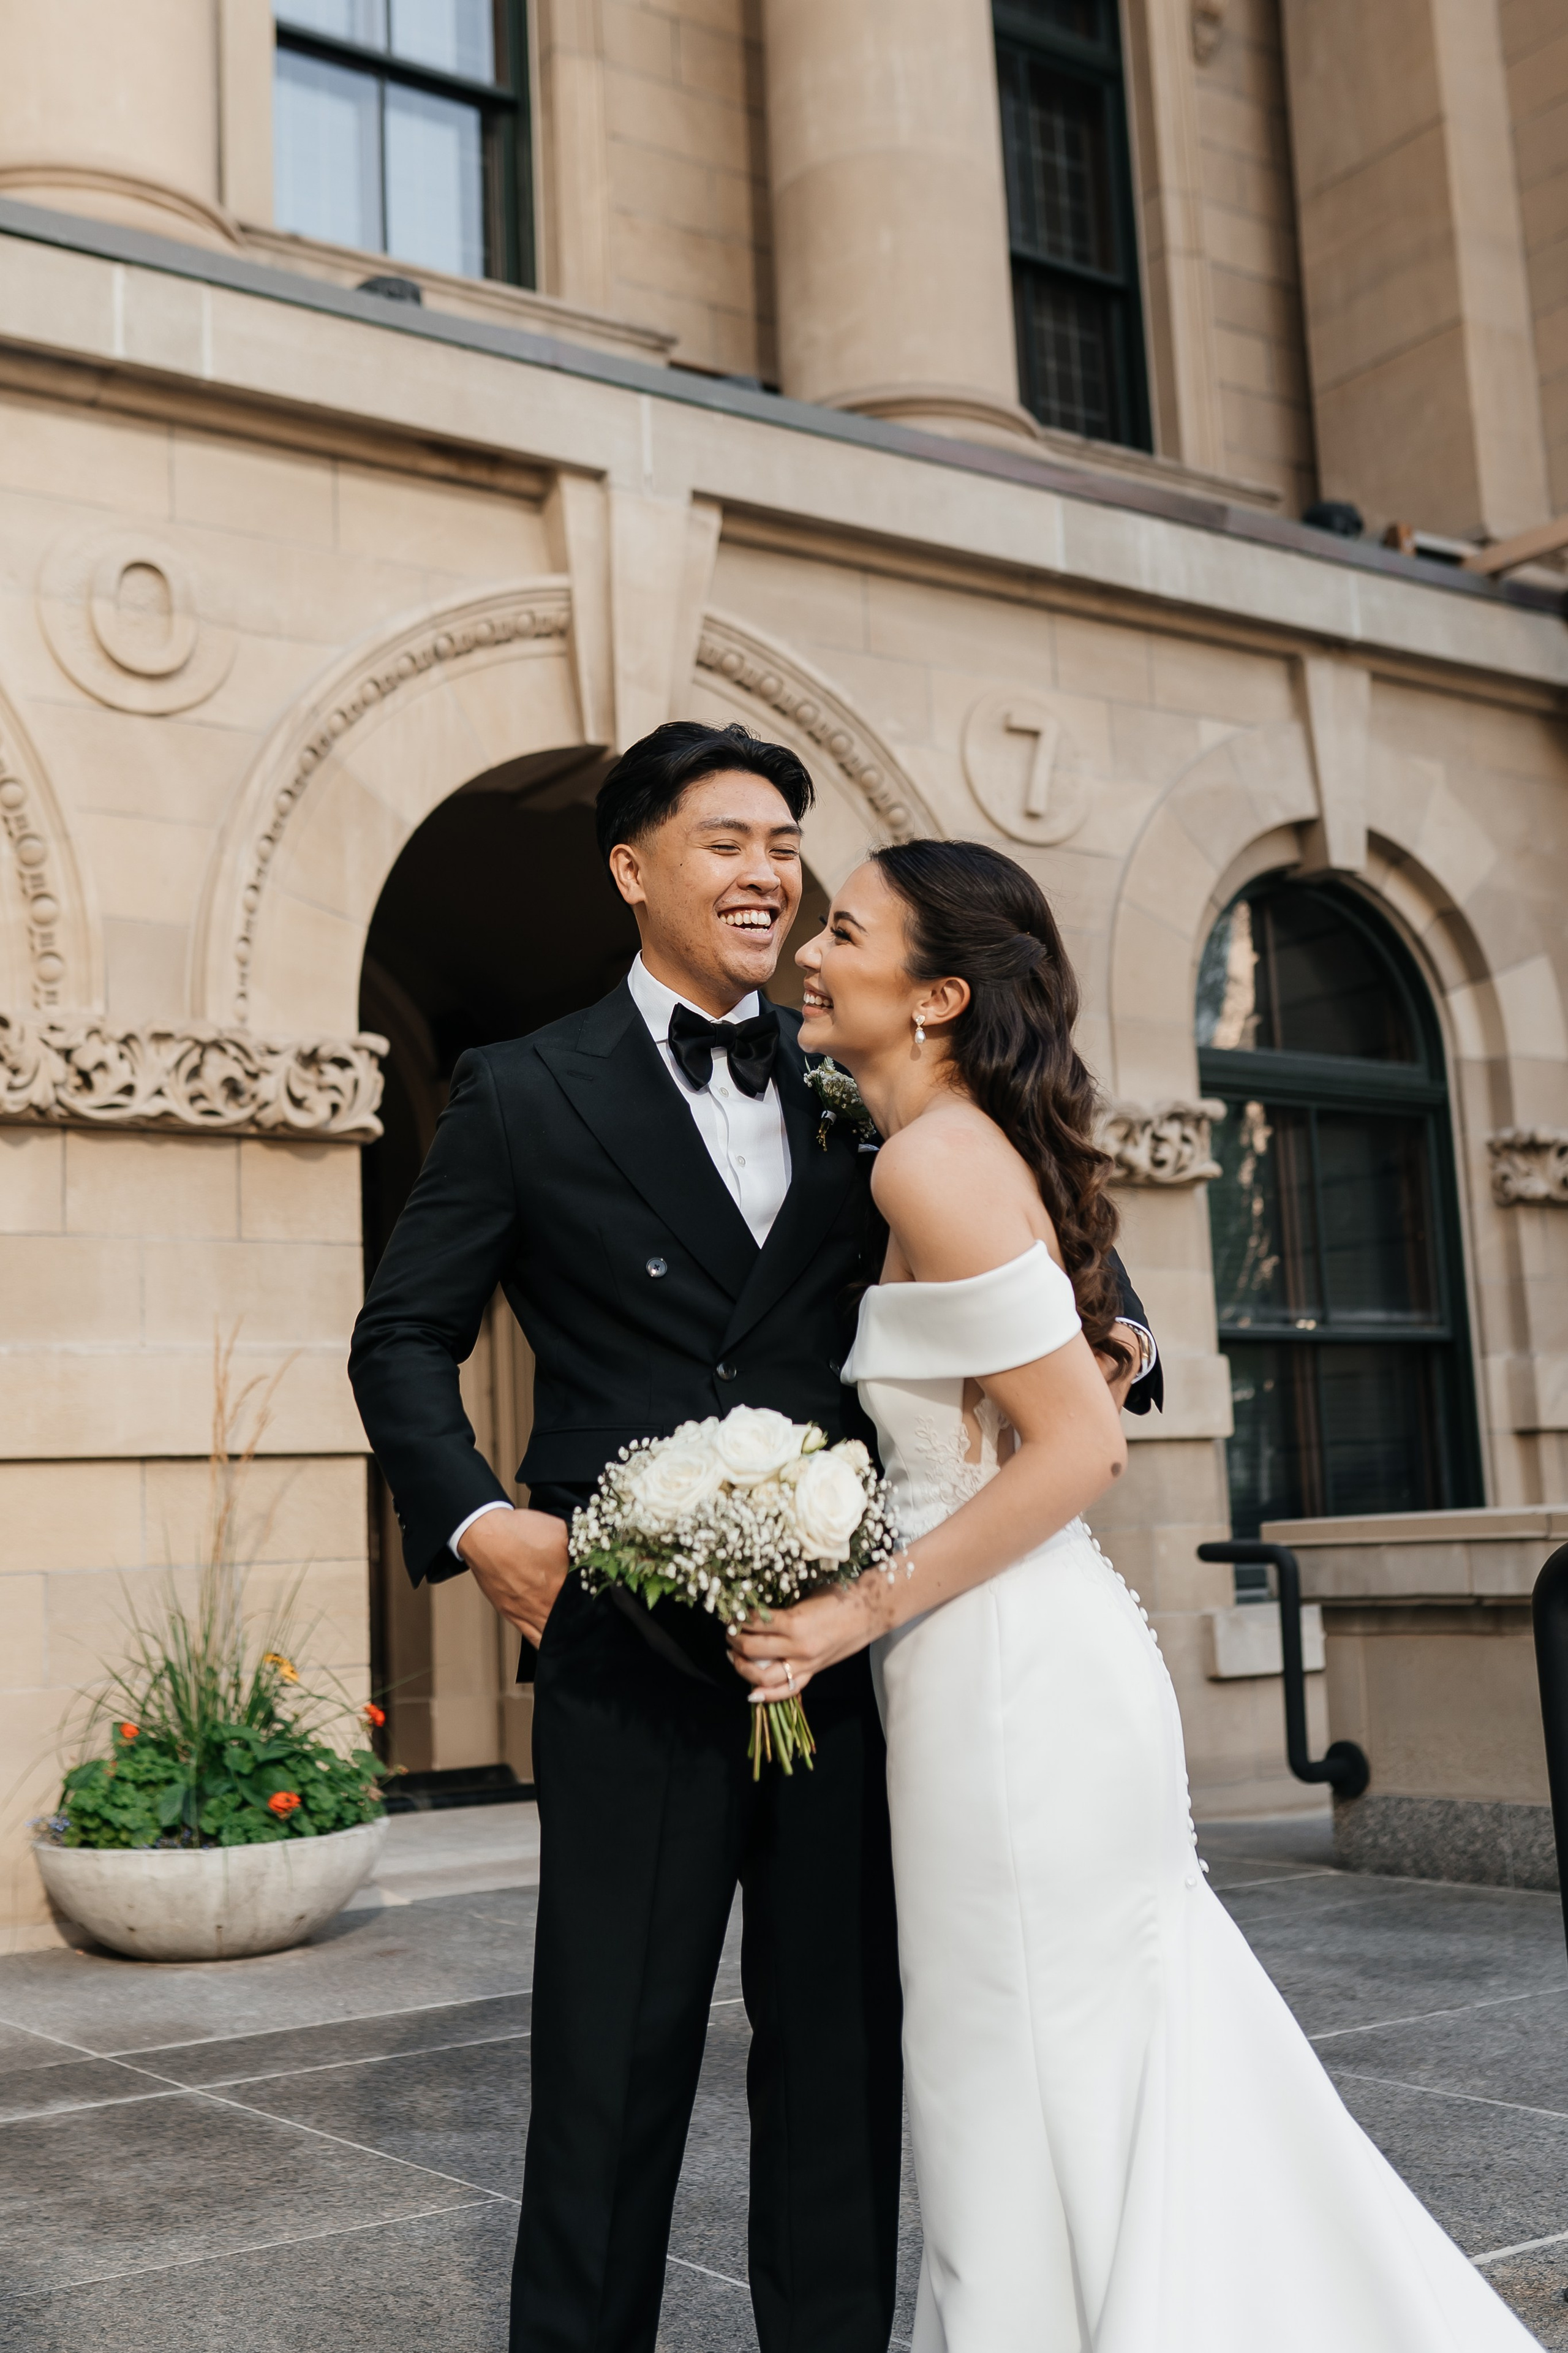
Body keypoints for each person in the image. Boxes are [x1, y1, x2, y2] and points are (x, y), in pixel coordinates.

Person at [348, 725, 1162, 2353]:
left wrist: (1125, 1332)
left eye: (785, 843)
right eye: (726, 840)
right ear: (632, 870)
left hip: (857, 1650)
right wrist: (481, 1518)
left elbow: (1029, 1217)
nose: (767, 873)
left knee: (840, 2069)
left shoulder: (857, 1078)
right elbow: (398, 1337)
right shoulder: (522, 1087)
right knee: (608, 2069)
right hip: (624, 1651)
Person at [729, 837, 1540, 2353]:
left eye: (846, 931)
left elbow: (1081, 1444)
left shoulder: (926, 1158)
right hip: (1016, 1652)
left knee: (1015, 2043)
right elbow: (1059, 1380)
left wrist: (849, 1611)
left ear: (936, 995)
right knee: (1048, 2042)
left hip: (1001, 1673)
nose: (811, 954)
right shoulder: (967, 1146)